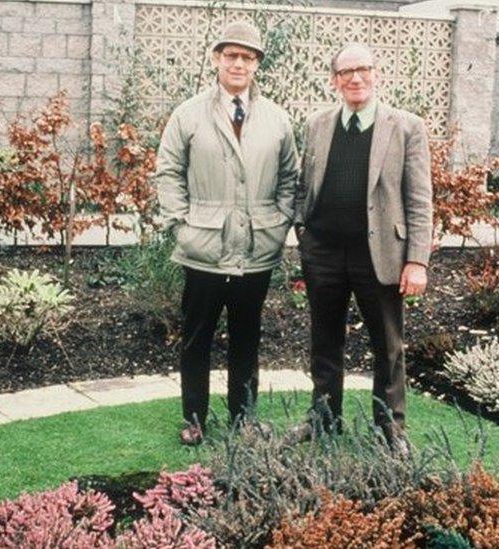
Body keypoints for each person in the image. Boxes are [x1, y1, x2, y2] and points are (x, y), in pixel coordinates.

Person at [155, 21, 298, 445]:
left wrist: (278, 222)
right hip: (203, 248)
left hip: (257, 250)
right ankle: (194, 420)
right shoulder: (188, 114)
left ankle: (243, 418)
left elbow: (290, 177)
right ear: (216, 59)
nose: (239, 63)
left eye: (248, 57)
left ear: (257, 65)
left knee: (246, 338)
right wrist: (182, 226)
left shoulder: (276, 119)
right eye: (231, 55)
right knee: (197, 337)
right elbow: (168, 173)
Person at [291, 43, 432, 447]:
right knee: (324, 342)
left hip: (381, 255)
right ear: (334, 80)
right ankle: (323, 420)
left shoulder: (406, 127)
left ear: (376, 73)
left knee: (388, 347)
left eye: (363, 69)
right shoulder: (318, 123)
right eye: (345, 71)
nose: (355, 77)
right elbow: (305, 184)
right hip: (324, 253)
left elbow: (420, 198)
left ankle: (389, 429)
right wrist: (304, 233)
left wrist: (417, 260)